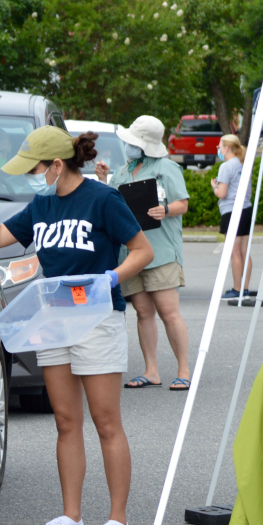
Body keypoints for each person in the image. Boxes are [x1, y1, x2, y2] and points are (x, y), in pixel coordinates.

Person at [0, 127, 154, 525]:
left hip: (97, 317)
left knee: (106, 422)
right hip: (55, 316)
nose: (31, 177)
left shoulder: (103, 199)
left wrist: (112, 278)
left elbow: (142, 250)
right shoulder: (41, 205)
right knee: (65, 421)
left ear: (57, 165)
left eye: (34, 169)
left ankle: (118, 520)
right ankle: (71, 518)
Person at [94, 115, 192, 391]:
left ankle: (184, 371)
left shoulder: (166, 168)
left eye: (134, 142)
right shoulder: (122, 172)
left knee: (169, 312)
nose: (129, 146)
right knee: (143, 311)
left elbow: (182, 204)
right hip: (131, 254)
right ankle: (151, 371)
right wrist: (103, 179)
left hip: (161, 252)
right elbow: (111, 203)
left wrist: (166, 210)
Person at [211, 134, 253, 299]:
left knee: (234, 252)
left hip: (231, 210)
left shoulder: (226, 166)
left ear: (227, 148)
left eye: (219, 147)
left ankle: (237, 289)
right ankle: (245, 288)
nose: (218, 150)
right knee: (244, 252)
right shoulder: (243, 164)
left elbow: (222, 193)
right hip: (246, 209)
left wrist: (214, 187)